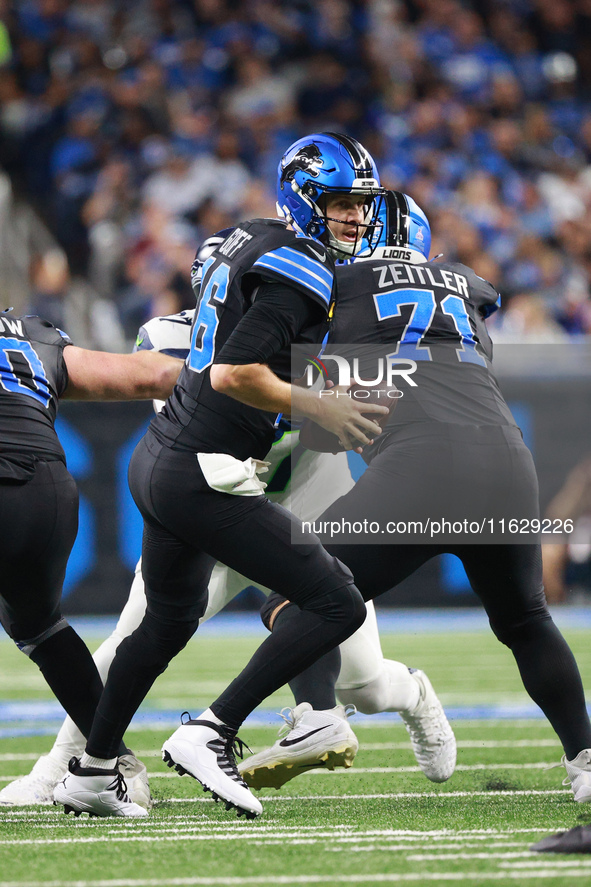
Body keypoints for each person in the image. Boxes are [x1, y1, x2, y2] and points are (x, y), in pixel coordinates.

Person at [1, 232, 455, 806]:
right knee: (130, 640)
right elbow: (197, 409)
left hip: (300, 505)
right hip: (216, 502)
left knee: (363, 683)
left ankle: (411, 694)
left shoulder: (325, 332)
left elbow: (350, 429)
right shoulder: (171, 337)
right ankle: (68, 767)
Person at [52, 132, 390, 820]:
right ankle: (211, 730)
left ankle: (90, 768)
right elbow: (236, 372)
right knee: (336, 601)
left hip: (161, 457)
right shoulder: (303, 265)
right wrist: (313, 399)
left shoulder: (250, 236)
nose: (355, 217)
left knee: (165, 624)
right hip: (207, 469)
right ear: (305, 198)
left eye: (362, 204)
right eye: (340, 203)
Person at [236, 190, 591, 807]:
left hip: (421, 463)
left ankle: (318, 715)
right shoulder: (462, 284)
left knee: (296, 594)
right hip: (507, 454)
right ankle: (586, 759)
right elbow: (473, 306)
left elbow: (311, 381)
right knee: (526, 620)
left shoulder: (333, 280)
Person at [0, 311, 182, 813]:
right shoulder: (29, 334)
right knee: (39, 627)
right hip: (47, 490)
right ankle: (114, 766)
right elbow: (153, 374)